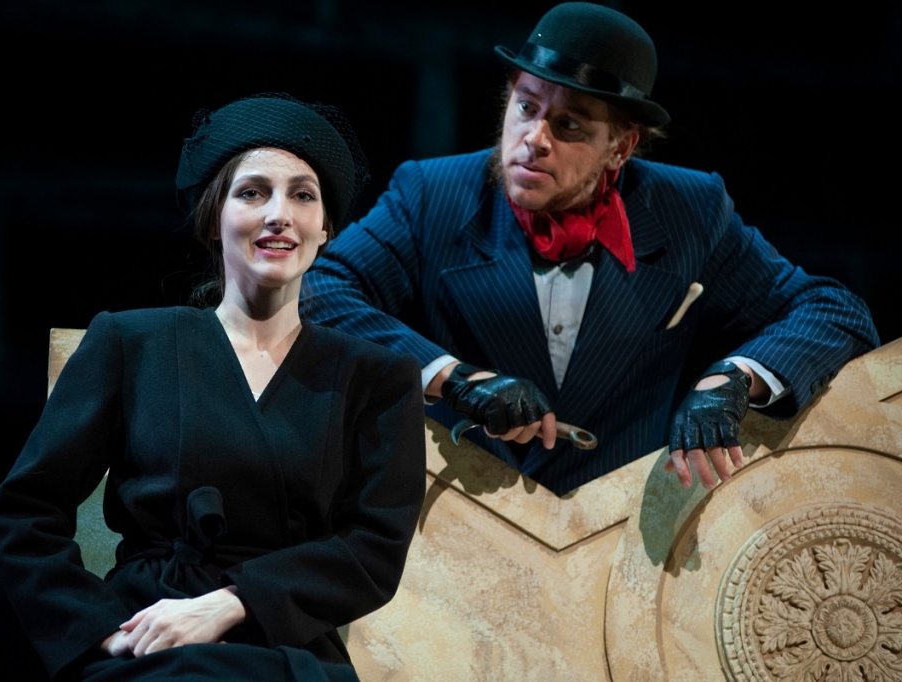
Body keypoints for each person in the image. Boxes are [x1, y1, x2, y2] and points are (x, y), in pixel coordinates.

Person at [303, 2, 879, 496]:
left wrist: (733, 380)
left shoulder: (688, 210)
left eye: (570, 126)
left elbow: (834, 310)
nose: (534, 139)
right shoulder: (433, 194)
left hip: (615, 534)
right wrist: (454, 379)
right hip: (468, 519)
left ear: (621, 147)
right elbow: (318, 291)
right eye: (526, 107)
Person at [0, 93, 427, 682]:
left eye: (303, 195)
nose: (279, 214)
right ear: (214, 217)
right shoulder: (131, 342)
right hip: (150, 642)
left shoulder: (377, 376)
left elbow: (374, 548)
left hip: (286, 651)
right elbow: (23, 511)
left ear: (326, 229)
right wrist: (98, 630)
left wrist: (233, 602)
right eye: (253, 193)